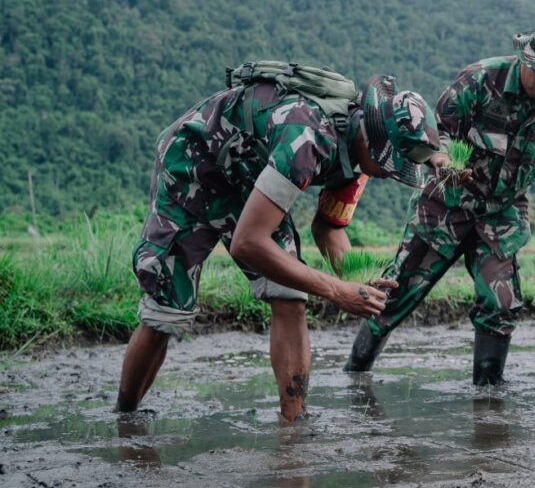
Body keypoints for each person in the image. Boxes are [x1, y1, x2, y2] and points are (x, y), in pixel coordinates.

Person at [116, 63, 439, 421]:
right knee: (167, 310)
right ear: (375, 140)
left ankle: (295, 422)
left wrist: (355, 279)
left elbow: (329, 229)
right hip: (193, 166)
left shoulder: (359, 159)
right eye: (387, 164)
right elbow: (248, 243)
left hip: (251, 181)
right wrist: (335, 290)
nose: (385, 174)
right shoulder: (308, 137)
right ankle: (125, 418)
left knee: (290, 297)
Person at [344, 18, 535, 385]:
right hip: (444, 205)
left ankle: (489, 395)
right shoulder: (480, 80)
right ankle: (355, 375)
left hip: (501, 213)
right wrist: (442, 159)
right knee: (396, 296)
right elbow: (438, 131)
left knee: (502, 304)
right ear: (525, 59)